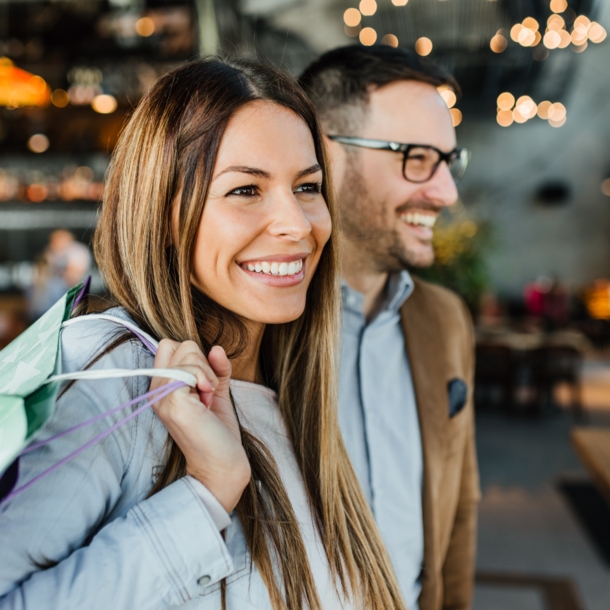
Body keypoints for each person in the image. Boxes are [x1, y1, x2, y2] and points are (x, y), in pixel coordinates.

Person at [0, 58, 405, 610]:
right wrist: (204, 496)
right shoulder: (110, 372)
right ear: (163, 213)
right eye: (245, 191)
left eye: (308, 186)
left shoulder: (298, 385)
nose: (297, 223)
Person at [300, 46, 480, 610]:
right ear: (325, 155)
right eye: (417, 157)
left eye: (449, 161)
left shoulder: (446, 319)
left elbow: (460, 504)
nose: (446, 192)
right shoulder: (251, 329)